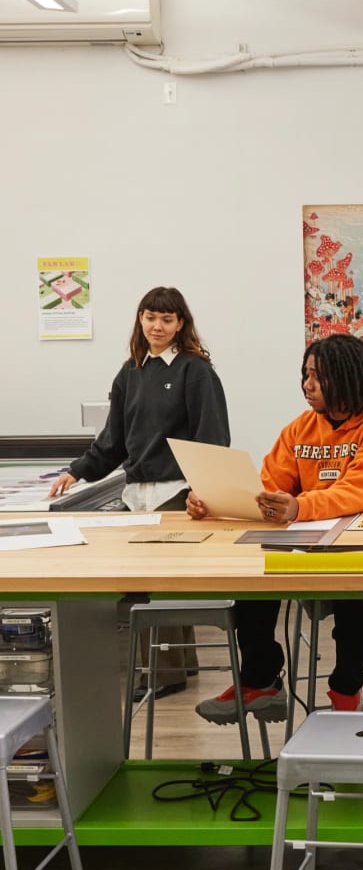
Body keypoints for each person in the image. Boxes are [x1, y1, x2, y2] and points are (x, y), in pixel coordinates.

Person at [187, 332, 363, 725]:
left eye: (317, 376)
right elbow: (269, 487)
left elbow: (358, 492)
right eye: (305, 374)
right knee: (253, 576)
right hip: (312, 538)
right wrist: (216, 501)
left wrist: (297, 506)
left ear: (347, 378)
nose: (306, 385)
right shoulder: (300, 428)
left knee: (359, 594)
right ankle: (261, 681)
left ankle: (346, 686)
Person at [49, 285, 230, 697]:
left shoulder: (195, 371)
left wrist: (206, 491)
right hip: (138, 495)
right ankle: (182, 662)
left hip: (177, 493)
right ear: (140, 320)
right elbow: (113, 440)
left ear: (181, 323)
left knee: (157, 584)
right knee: (160, 584)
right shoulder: (130, 371)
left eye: (167, 319)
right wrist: (77, 471)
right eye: (150, 317)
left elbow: (212, 438)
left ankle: (163, 677)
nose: (157, 326)